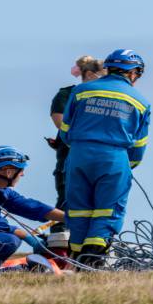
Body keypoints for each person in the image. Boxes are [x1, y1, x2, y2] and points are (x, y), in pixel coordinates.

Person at [60, 49, 150, 265]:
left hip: (79, 155)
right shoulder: (140, 101)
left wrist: (80, 148)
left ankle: (76, 261)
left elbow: (65, 131)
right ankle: (92, 262)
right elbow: (138, 147)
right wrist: (127, 165)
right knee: (108, 210)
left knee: (78, 210)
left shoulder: (81, 91)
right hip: (114, 158)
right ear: (133, 73)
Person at [46, 56, 105, 232]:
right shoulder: (67, 94)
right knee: (68, 197)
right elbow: (60, 121)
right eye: (103, 76)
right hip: (71, 155)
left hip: (100, 156)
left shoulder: (109, 97)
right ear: (89, 74)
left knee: (99, 198)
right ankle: (60, 237)